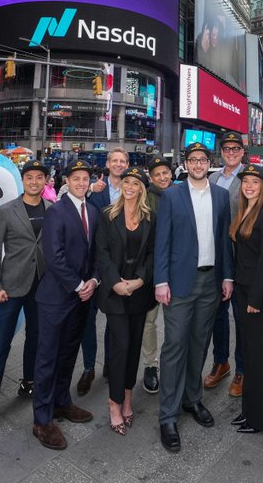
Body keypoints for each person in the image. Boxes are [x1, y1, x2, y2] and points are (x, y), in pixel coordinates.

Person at [152, 142, 234, 454]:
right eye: (192, 160)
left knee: (200, 344)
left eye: (202, 159)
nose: (198, 164)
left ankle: (192, 399)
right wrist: (161, 281)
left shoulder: (221, 195)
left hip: (210, 282)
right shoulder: (172, 195)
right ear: (185, 164)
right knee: (174, 346)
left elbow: (225, 240)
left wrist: (227, 276)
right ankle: (168, 415)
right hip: (179, 282)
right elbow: (163, 241)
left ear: (209, 163)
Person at [0, 160, 51, 439]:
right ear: (23, 180)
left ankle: (29, 382)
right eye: (29, 177)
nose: (34, 181)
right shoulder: (6, 210)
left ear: (46, 181)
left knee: (36, 339)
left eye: (39, 177)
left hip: (41, 288)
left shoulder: (52, 210)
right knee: (0, 345)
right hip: (10, 287)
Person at [31, 160, 98, 451]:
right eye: (76, 178)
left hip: (82, 297)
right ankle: (42, 420)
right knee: (47, 358)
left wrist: (93, 280)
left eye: (85, 178)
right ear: (66, 181)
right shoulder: (56, 211)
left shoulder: (94, 212)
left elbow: (97, 252)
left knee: (69, 353)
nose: (81, 183)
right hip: (56, 297)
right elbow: (54, 256)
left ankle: (61, 403)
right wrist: (78, 284)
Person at [96, 167, 156, 436]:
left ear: (143, 188)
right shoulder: (108, 215)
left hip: (139, 292)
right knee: (120, 347)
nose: (130, 186)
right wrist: (116, 282)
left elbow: (153, 253)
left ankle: (128, 398)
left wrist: (141, 280)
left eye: (136, 183)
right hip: (115, 291)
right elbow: (102, 253)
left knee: (133, 349)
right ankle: (113, 402)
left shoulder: (149, 217)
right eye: (127, 182)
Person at [229, 164, 263, 434]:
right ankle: (248, 412)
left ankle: (260, 419)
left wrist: (256, 299)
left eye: (255, 182)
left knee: (259, 358)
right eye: (246, 181)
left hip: (258, 296)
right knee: (248, 354)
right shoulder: (243, 211)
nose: (249, 186)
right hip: (243, 290)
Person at [78, 147, 129, 395]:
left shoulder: (131, 188)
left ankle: (110, 364)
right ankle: (89, 367)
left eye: (123, 161)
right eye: (114, 160)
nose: (118, 164)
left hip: (117, 266)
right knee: (88, 320)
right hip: (92, 264)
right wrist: (88, 190)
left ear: (127, 164)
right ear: (107, 164)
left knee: (114, 319)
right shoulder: (96, 190)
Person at [206, 131, 246, 395]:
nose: (231, 152)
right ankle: (221, 362)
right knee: (217, 314)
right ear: (221, 152)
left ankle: (242, 370)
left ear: (242, 152)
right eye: (226, 148)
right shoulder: (212, 178)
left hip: (241, 255)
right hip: (216, 255)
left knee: (241, 316)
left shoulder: (249, 177)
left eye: (235, 148)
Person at [141, 156, 174, 394]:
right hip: (151, 269)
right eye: (157, 174)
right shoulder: (144, 198)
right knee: (149, 321)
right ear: (151, 178)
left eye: (165, 173)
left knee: (175, 322)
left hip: (177, 268)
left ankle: (172, 365)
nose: (162, 177)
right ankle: (150, 365)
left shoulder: (182, 194)